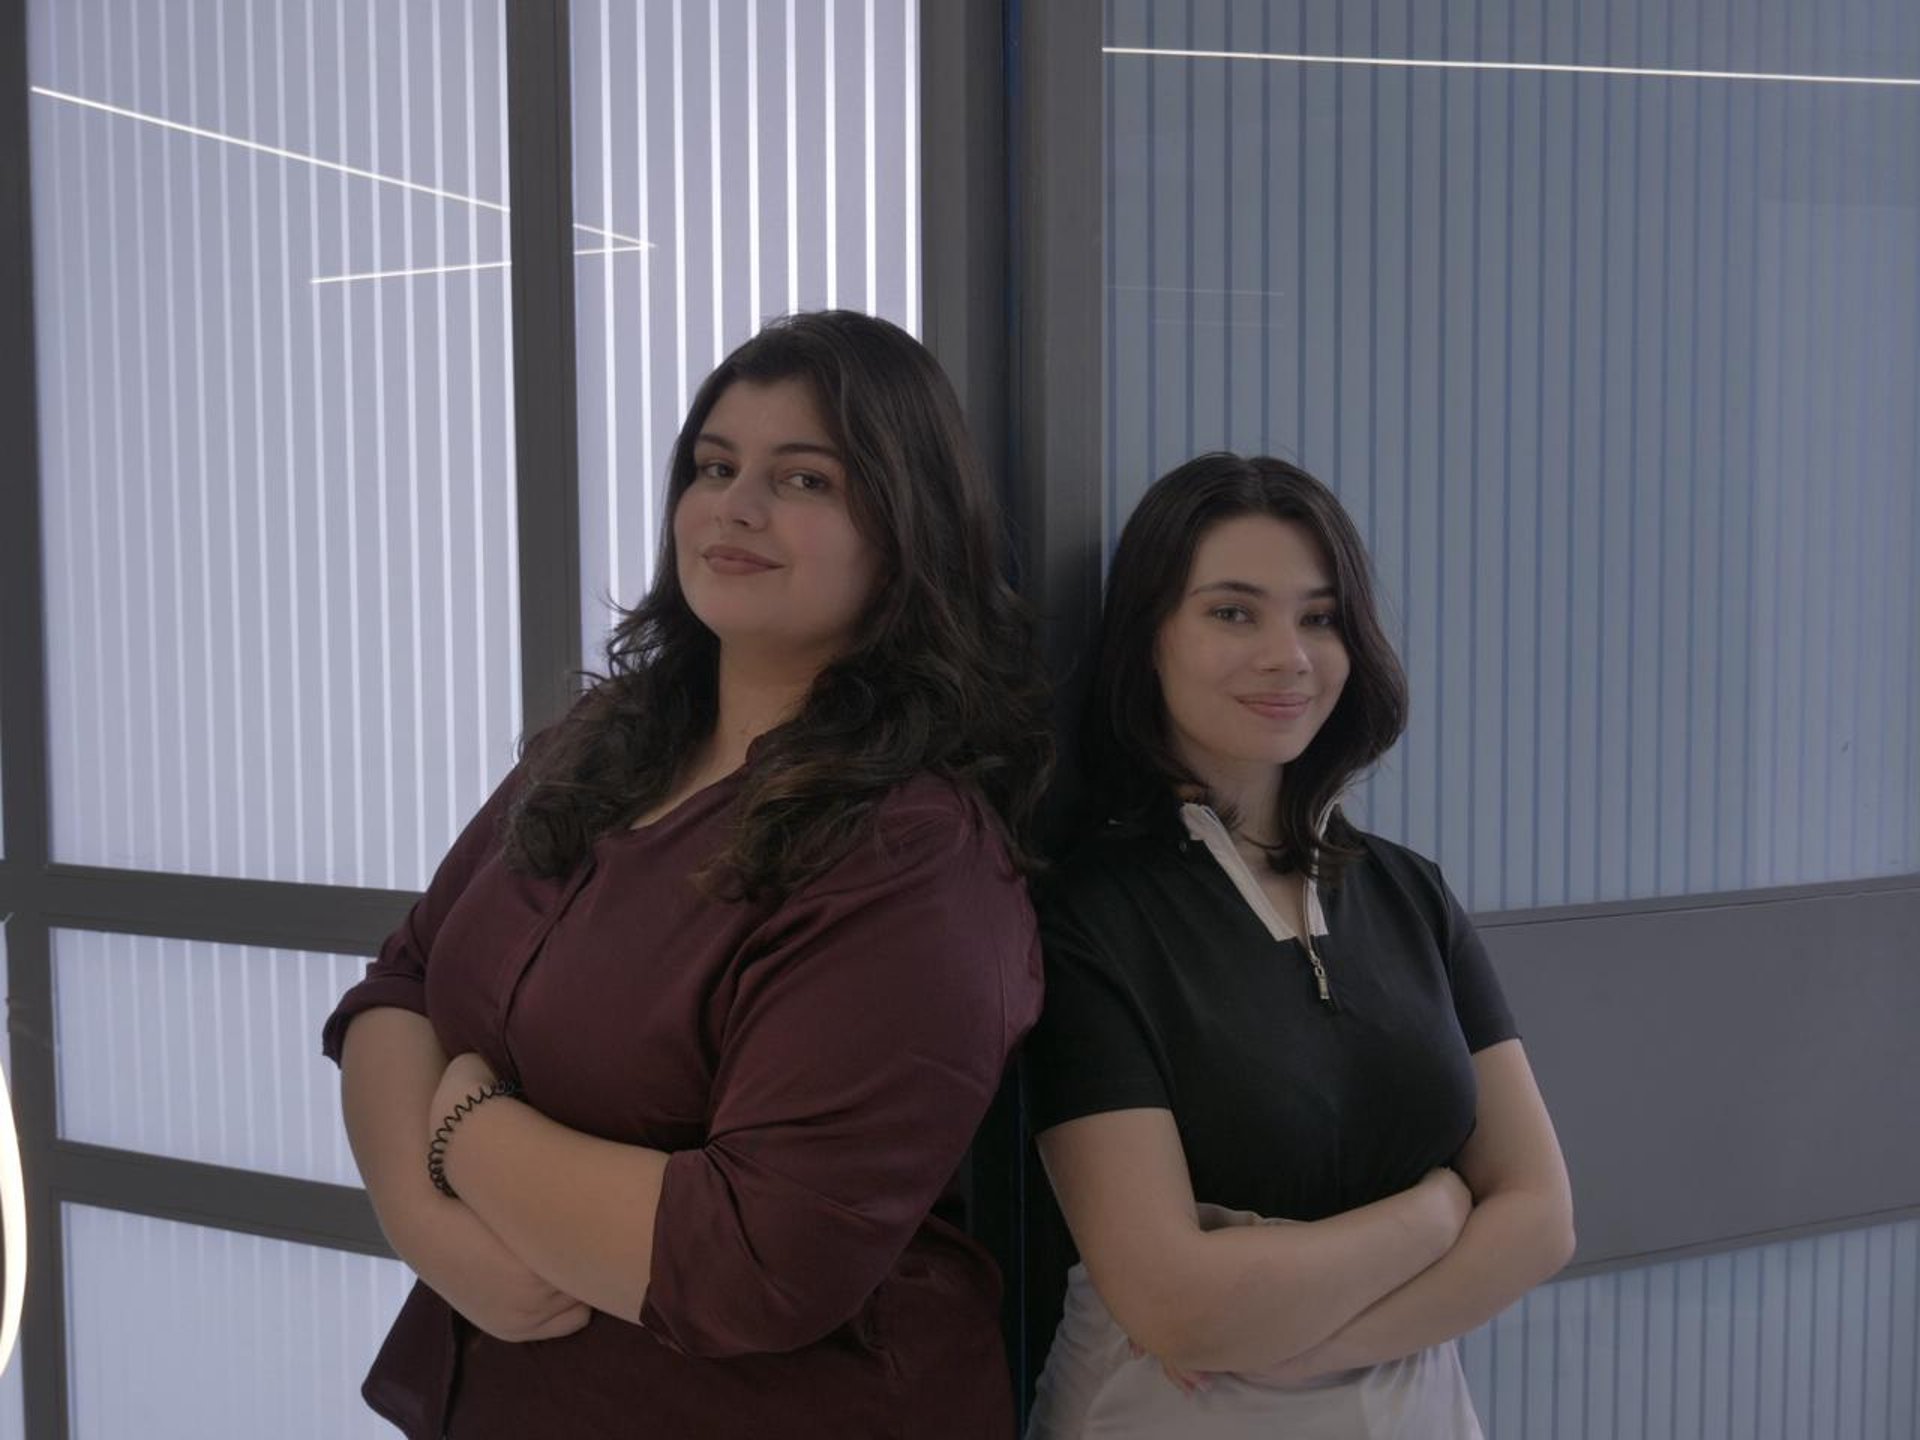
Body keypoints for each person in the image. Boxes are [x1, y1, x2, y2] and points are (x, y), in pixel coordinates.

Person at [322, 310, 1051, 1439]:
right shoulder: (605, 739)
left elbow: (754, 1261)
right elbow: (401, 986)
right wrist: (429, 1226)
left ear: (904, 528)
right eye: (715, 467)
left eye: (804, 480)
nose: (737, 507)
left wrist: (467, 1129)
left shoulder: (914, 856)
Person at [1022, 454, 1574, 1438]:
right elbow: (1173, 1304)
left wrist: (1310, 1347)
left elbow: (1539, 1219)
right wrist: (1439, 1212)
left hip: (1412, 1408)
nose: (1290, 656)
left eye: (1319, 617)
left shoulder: (1406, 893)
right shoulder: (1084, 916)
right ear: (1150, 638)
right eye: (1233, 613)